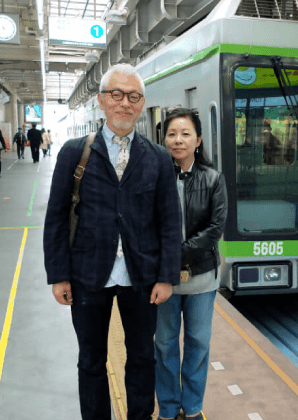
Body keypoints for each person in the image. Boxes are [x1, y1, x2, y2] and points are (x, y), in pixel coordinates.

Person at [43, 63, 182, 420]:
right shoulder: (75, 153)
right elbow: (57, 217)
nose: (125, 103)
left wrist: (167, 276)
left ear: (142, 104)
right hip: (88, 275)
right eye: (117, 95)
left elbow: (170, 222)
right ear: (103, 100)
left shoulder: (158, 158)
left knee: (141, 357)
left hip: (141, 277)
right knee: (90, 359)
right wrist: (59, 275)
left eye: (133, 96)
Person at [155, 108, 228, 420]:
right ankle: (169, 408)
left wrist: (176, 253)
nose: (178, 140)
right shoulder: (154, 177)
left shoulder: (213, 179)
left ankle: (193, 407)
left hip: (201, 277)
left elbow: (215, 229)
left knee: (198, 342)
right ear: (164, 140)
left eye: (185, 134)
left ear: (198, 140)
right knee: (165, 344)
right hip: (164, 279)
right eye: (172, 134)